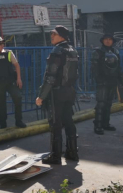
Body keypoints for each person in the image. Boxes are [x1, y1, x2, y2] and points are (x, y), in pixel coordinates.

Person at [35, 25, 79, 164]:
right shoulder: (72, 50)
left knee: (55, 123)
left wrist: (41, 96)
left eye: (53, 34)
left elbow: (50, 76)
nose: (51, 36)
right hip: (69, 90)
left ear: (61, 36)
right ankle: (72, 152)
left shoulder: (57, 51)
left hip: (57, 92)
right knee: (68, 121)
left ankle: (55, 156)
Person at [0, 36, 26, 129]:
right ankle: (3, 124)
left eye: (3, 43)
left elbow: (17, 65)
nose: (2, 45)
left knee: (18, 98)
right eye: (0, 44)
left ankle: (19, 121)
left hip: (10, 81)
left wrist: (19, 79)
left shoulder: (8, 53)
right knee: (1, 104)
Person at [91, 34, 123, 135]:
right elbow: (94, 68)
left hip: (112, 80)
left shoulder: (115, 52)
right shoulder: (98, 52)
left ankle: (105, 123)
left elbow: (118, 67)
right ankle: (98, 125)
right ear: (102, 41)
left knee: (109, 103)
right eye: (106, 39)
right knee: (101, 103)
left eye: (110, 39)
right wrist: (99, 80)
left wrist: (120, 79)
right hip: (103, 81)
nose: (108, 41)